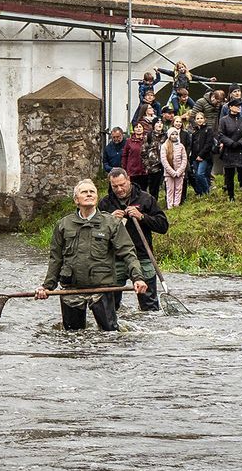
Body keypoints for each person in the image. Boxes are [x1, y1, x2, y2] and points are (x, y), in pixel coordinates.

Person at [38, 179, 148, 332]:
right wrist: (47, 287)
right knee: (72, 335)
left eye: (92, 192)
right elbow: (56, 258)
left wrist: (138, 278)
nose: (89, 194)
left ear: (96, 198)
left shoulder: (111, 223)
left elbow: (128, 253)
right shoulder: (64, 224)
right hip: (71, 289)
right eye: (84, 192)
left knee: (109, 334)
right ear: (76, 200)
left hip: (102, 289)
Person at [101, 168, 170, 313]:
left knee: (149, 307)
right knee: (110, 306)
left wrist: (142, 216)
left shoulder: (146, 199)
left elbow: (163, 226)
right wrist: (109, 220)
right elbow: (96, 233)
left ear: (129, 180)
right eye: (115, 186)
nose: (119, 189)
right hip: (115, 259)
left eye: (122, 185)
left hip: (142, 257)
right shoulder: (105, 204)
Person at [216, 98, 242, 201]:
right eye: (237, 106)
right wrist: (231, 143)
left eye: (240, 106)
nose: (239, 107)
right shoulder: (224, 120)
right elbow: (221, 134)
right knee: (229, 173)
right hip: (229, 150)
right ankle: (231, 196)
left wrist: (241, 142)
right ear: (230, 107)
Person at [160, 125, 189, 209]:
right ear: (169, 135)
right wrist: (172, 172)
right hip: (169, 174)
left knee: (178, 189)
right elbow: (164, 160)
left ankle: (176, 205)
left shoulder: (181, 146)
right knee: (170, 190)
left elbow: (184, 159)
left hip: (179, 173)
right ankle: (170, 206)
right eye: (172, 134)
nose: (174, 136)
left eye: (176, 134)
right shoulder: (164, 146)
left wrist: (179, 171)